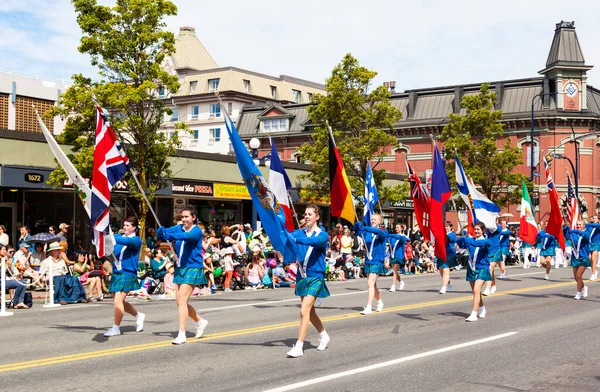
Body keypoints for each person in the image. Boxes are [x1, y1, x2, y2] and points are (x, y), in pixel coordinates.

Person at [156, 206, 209, 345]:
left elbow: (186, 237)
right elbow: (164, 233)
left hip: (192, 267)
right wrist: (161, 231)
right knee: (179, 302)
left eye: (187, 217)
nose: (184, 219)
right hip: (180, 267)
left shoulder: (196, 230)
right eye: (182, 217)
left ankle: (181, 334)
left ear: (193, 218)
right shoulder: (178, 228)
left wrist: (170, 235)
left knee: (183, 300)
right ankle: (200, 321)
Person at [286, 204, 330, 358]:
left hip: (316, 277)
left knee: (304, 310)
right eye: (305, 214)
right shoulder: (300, 232)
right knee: (310, 313)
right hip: (302, 277)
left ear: (317, 217)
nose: (306, 216)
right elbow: (285, 236)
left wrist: (297, 238)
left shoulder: (322, 234)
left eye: (310, 214)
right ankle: (324, 335)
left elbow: (316, 242)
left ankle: (299, 346)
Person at [103, 216, 145, 338]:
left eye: (127, 225)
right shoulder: (120, 239)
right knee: (119, 300)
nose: (125, 227)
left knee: (118, 301)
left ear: (134, 227)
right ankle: (138, 316)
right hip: (117, 273)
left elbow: (124, 241)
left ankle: (116, 327)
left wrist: (109, 235)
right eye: (124, 225)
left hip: (127, 273)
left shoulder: (136, 240)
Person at [456, 222, 492, 322]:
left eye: (478, 229)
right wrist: (462, 238)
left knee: (476, 290)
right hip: (471, 267)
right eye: (475, 229)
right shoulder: (470, 239)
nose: (476, 231)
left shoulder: (486, 241)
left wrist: (469, 241)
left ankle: (474, 314)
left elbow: (480, 244)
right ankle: (482, 308)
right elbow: (458, 242)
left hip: (482, 268)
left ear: (483, 230)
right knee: (476, 292)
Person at [354, 214, 388, 315]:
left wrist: (366, 228)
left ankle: (368, 307)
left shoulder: (382, 232)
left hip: (377, 261)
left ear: (380, 222)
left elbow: (378, 232)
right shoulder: (367, 233)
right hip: (368, 261)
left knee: (370, 284)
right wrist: (358, 224)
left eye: (375, 219)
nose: (372, 221)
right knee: (373, 285)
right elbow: (356, 230)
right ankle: (380, 302)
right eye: (371, 219)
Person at [564, 220, 591, 300]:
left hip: (583, 257)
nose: (578, 226)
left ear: (583, 225)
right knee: (576, 278)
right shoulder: (574, 234)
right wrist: (566, 227)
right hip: (575, 257)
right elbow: (566, 234)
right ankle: (584, 287)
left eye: (580, 224)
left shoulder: (586, 233)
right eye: (577, 224)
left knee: (579, 275)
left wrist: (574, 231)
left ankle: (578, 293)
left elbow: (585, 236)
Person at [0, 244, 29, 309]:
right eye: (4, 250)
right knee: (19, 284)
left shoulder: (8, 259)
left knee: (23, 282)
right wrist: (6, 264)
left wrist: (10, 267)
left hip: (7, 279)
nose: (4, 251)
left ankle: (19, 302)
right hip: (2, 280)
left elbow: (10, 273)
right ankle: (16, 302)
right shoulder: (2, 260)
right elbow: (2, 273)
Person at [483, 221, 506, 296]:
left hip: (495, 250)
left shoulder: (497, 227)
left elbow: (497, 229)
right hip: (487, 251)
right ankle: (493, 285)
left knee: (489, 269)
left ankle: (487, 289)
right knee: (491, 271)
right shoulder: (484, 227)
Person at [436, 221, 457, 294]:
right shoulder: (443, 234)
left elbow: (446, 239)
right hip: (441, 254)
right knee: (441, 270)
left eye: (447, 226)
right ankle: (449, 284)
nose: (446, 228)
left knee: (445, 270)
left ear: (451, 227)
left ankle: (443, 287)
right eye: (445, 226)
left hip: (448, 254)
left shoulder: (452, 235)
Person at [388, 223, 408, 292]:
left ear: (401, 228)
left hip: (399, 256)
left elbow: (406, 240)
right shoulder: (393, 237)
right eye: (396, 227)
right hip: (393, 255)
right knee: (395, 271)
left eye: (398, 227)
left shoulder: (402, 237)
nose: (397, 229)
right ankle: (401, 282)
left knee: (394, 270)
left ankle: (393, 286)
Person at [585, 216, 600, 281]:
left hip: (597, 243)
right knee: (590, 258)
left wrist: (587, 224)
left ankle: (593, 274)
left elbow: (595, 226)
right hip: (590, 243)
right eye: (593, 218)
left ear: (598, 220)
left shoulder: (598, 226)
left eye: (595, 218)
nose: (594, 219)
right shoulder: (589, 226)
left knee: (594, 258)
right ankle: (595, 271)